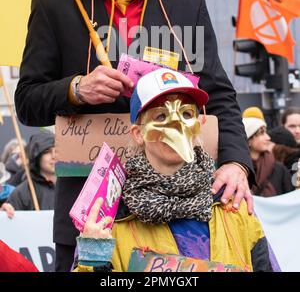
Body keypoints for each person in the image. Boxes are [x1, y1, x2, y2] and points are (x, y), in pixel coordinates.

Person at [15, 0, 254, 271]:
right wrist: (76, 89)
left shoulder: (185, 5)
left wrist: (236, 163)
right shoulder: (54, 6)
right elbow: (28, 100)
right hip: (91, 220)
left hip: (180, 218)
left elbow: (218, 96)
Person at [73, 69, 276, 273]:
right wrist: (93, 260)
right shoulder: (111, 217)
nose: (176, 125)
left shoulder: (231, 203)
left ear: (197, 125)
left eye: (186, 113)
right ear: (138, 133)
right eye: (161, 116)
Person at [242, 117, 294, 197]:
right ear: (249, 139)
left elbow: (290, 198)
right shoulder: (238, 170)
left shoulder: (278, 169)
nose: (268, 138)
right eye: (262, 133)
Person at [7, 132, 56, 211]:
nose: (54, 156)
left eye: (57, 151)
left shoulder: (69, 188)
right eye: (47, 151)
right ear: (36, 156)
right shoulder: (20, 194)